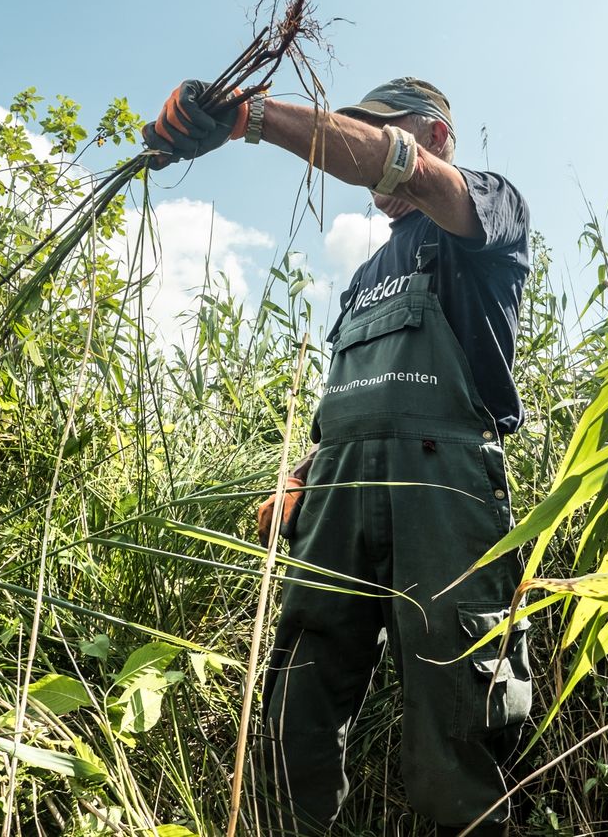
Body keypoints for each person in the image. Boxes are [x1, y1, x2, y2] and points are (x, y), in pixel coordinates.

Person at [144, 77, 534, 835]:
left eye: (380, 131)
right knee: (300, 699)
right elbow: (349, 403)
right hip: (340, 495)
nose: (362, 145)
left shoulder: (484, 211)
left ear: (438, 136)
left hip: (445, 490)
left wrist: (251, 117)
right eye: (356, 130)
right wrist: (301, 479)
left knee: (459, 709)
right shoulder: (365, 277)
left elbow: (402, 170)